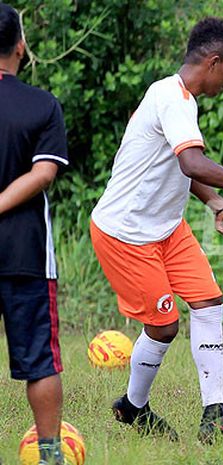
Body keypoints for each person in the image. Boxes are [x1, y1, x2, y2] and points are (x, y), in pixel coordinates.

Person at [90, 17, 223, 445]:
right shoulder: (173, 97)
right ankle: (133, 407)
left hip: (166, 228)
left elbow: (180, 164)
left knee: (208, 301)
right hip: (126, 233)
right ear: (214, 62)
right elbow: (193, 163)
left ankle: (215, 416)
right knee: (164, 326)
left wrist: (216, 202)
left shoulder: (174, 95)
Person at [0, 4, 68, 464]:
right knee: (40, 360)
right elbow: (44, 173)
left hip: (24, 255)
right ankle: (50, 454)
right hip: (24, 253)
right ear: (20, 48)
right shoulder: (42, 104)